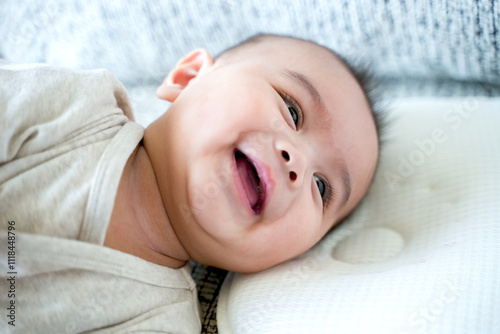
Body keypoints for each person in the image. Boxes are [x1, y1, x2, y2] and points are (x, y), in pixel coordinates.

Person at [0, 34, 379, 333]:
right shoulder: (75, 109)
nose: (297, 161)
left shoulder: (159, 323)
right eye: (292, 110)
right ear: (188, 77)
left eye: (322, 187)